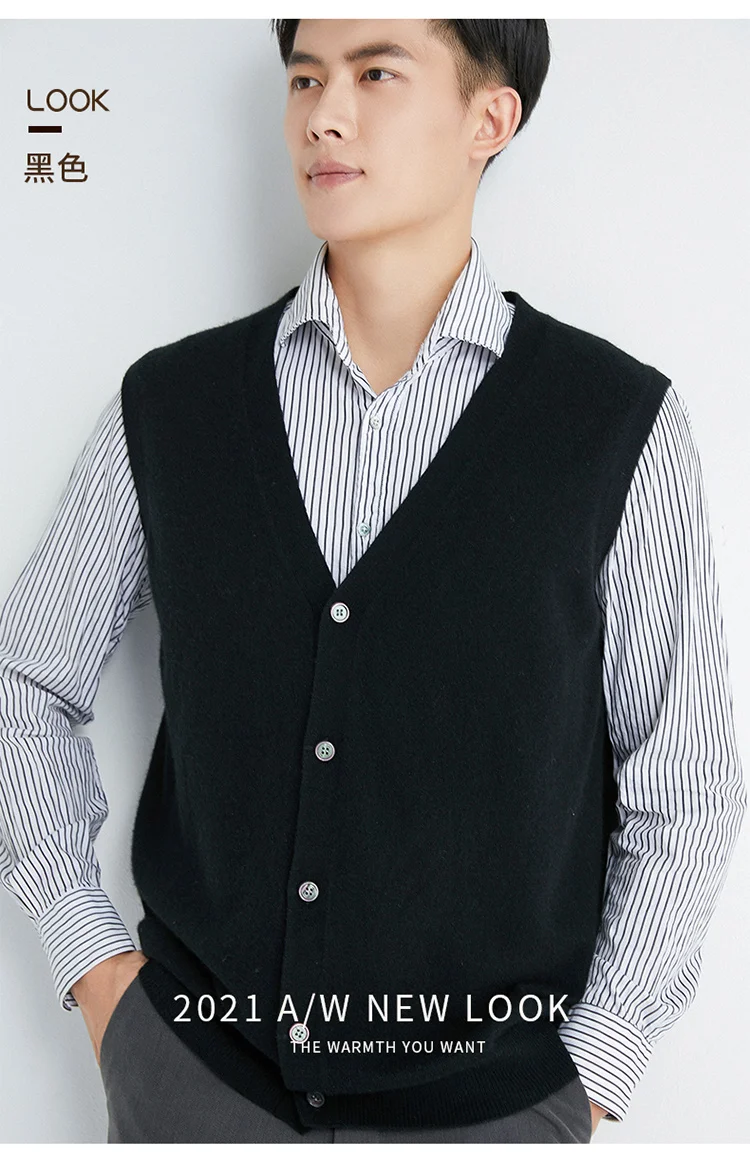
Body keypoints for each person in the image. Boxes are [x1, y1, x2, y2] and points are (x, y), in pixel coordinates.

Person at [0, 18, 745, 1145]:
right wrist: (99, 975)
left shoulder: (613, 426)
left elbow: (686, 787)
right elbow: (25, 680)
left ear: (490, 118)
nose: (323, 115)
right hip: (195, 1083)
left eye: (376, 73)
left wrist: (585, 1078)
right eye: (305, 79)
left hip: (494, 1112)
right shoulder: (174, 405)